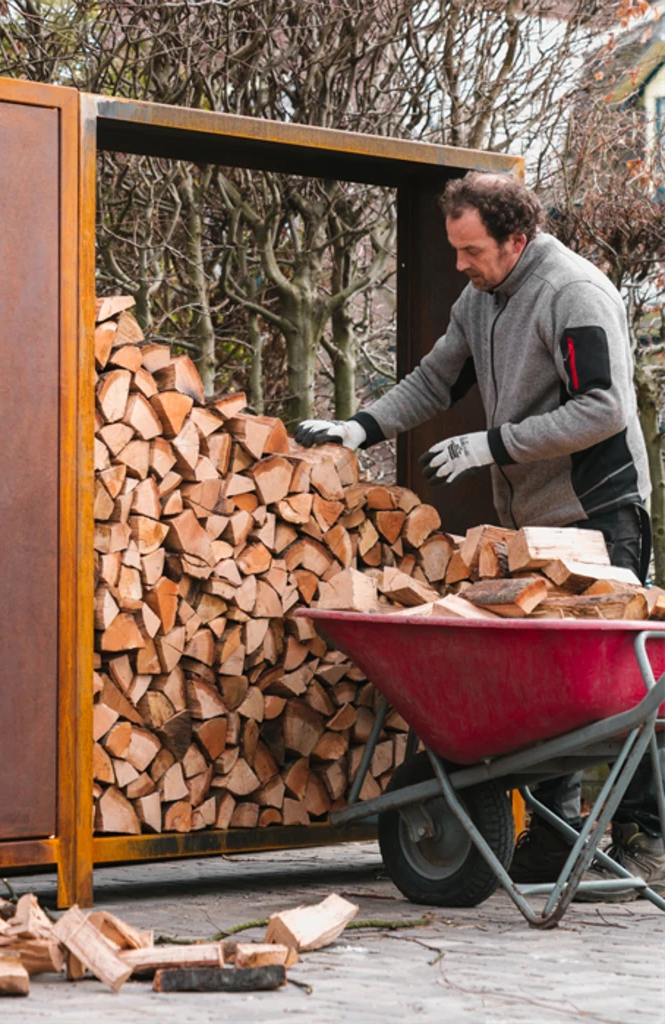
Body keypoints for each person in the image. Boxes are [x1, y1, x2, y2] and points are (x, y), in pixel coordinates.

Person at [295, 171, 661, 897]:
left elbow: (604, 409)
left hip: (599, 508)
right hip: (534, 517)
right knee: (552, 686)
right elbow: (435, 381)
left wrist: (492, 446)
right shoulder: (482, 297)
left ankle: (646, 835)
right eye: (455, 249)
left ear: (516, 240)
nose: (459, 264)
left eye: (470, 250)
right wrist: (357, 427)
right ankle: (555, 841)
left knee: (616, 682)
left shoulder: (573, 293)